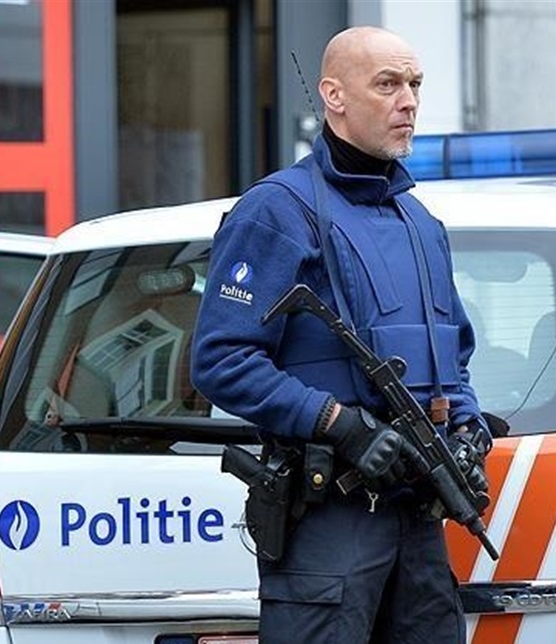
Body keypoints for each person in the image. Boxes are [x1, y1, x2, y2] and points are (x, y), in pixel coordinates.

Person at [191, 25, 489, 644]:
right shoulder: (277, 210)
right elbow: (222, 360)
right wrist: (340, 425)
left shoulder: (421, 224)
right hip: (329, 523)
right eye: (388, 84)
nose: (408, 101)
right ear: (334, 95)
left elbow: (452, 358)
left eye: (415, 85)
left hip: (417, 523)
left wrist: (467, 430)